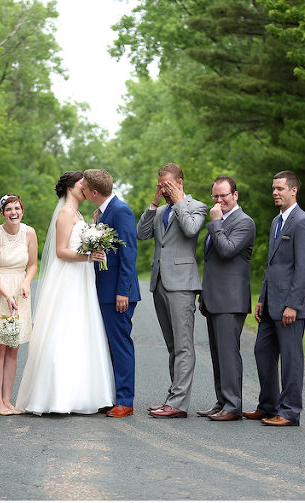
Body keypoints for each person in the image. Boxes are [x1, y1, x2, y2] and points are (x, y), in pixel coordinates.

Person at [15, 171, 115, 415]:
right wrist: (88, 256)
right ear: (71, 187)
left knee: (82, 330)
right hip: (69, 276)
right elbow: (61, 251)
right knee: (64, 329)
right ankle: (56, 397)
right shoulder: (66, 213)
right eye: (82, 184)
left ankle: (84, 394)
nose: (85, 187)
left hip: (82, 277)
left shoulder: (78, 214)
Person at [245, 170, 305, 427]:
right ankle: (268, 406)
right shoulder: (277, 221)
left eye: (280, 189)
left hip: (290, 306)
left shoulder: (303, 222)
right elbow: (272, 265)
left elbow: (303, 268)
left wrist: (293, 305)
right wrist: (262, 299)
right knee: (262, 351)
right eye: (273, 188)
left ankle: (289, 412)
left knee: (290, 359)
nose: (275, 193)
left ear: (293, 190)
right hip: (270, 303)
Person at [137, 163, 207, 418]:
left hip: (182, 284)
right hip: (159, 283)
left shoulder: (196, 206)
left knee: (183, 346)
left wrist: (178, 202)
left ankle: (178, 404)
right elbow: (141, 234)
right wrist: (154, 203)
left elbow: (191, 229)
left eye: (167, 186)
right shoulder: (159, 211)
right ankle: (172, 398)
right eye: (160, 186)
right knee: (172, 345)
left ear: (179, 183)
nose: (164, 190)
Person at [81, 169, 141, 418]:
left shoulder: (121, 210)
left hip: (117, 293)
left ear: (94, 192)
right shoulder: (102, 212)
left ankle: (125, 401)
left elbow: (129, 254)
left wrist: (123, 292)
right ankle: (112, 397)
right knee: (106, 346)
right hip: (103, 290)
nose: (82, 191)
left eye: (84, 188)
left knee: (120, 345)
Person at [198, 176, 256, 421]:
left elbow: (226, 250)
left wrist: (215, 223)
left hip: (231, 300)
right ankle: (222, 401)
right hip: (214, 298)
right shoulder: (220, 221)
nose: (219, 200)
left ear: (235, 195)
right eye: (215, 196)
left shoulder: (245, 222)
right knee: (217, 354)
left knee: (228, 354)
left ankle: (233, 406)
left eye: (223, 195)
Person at [0, 194, 38, 416]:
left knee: (13, 349)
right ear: (2, 213)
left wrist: (26, 282)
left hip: (20, 292)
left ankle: (7, 400)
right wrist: (6, 295)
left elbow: (33, 265)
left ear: (22, 211)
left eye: (17, 208)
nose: (14, 212)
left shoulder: (30, 233)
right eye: (9, 209)